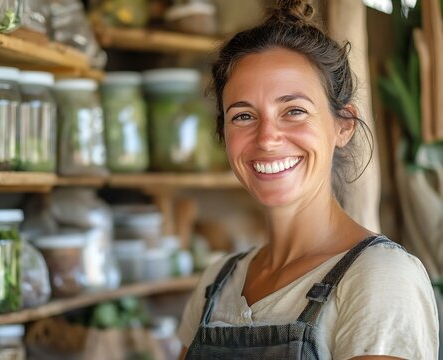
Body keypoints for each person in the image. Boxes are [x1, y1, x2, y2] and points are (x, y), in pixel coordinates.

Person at [177, 0, 439, 359]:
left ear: (343, 125)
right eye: (243, 116)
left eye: (294, 111)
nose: (267, 138)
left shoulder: (380, 278)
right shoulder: (216, 282)